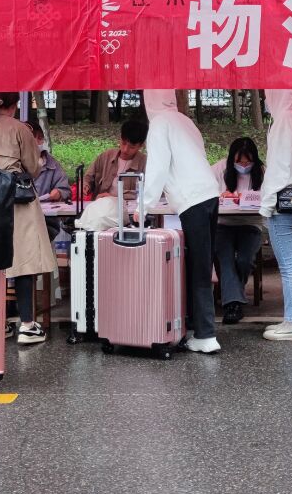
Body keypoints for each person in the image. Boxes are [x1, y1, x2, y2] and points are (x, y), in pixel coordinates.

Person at [0, 93, 55, 346]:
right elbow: (33, 167)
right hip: (17, 202)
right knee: (23, 261)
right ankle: (27, 325)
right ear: (14, 105)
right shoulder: (19, 129)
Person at [138, 90, 221, 354]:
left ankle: (206, 335)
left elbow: (157, 169)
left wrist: (143, 206)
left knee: (197, 266)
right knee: (202, 263)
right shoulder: (185, 120)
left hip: (192, 200)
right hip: (210, 194)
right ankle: (197, 326)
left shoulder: (159, 124)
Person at [258, 91, 292, 342]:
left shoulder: (282, 122)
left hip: (281, 202)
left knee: (289, 267)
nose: (266, 99)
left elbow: (277, 170)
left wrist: (266, 205)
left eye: (268, 93)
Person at [211, 136, 264, 325]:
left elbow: (269, 197)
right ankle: (232, 306)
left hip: (251, 223)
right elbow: (204, 191)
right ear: (231, 159)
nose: (243, 166)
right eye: (239, 162)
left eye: (248, 162)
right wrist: (220, 196)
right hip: (223, 223)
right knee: (225, 258)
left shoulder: (263, 172)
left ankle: (233, 296)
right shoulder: (219, 169)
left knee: (244, 259)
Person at [83, 117, 147, 199]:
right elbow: (88, 177)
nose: (125, 149)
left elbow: (148, 192)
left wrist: (115, 197)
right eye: (123, 143)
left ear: (141, 146)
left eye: (132, 147)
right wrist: (85, 185)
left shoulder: (145, 164)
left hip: (128, 206)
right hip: (102, 204)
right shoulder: (106, 156)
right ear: (120, 138)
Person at [28, 121, 71, 202]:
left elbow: (65, 190)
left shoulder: (51, 164)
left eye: (40, 138)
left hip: (44, 208)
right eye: (31, 139)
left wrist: (59, 192)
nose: (36, 142)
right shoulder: (13, 163)